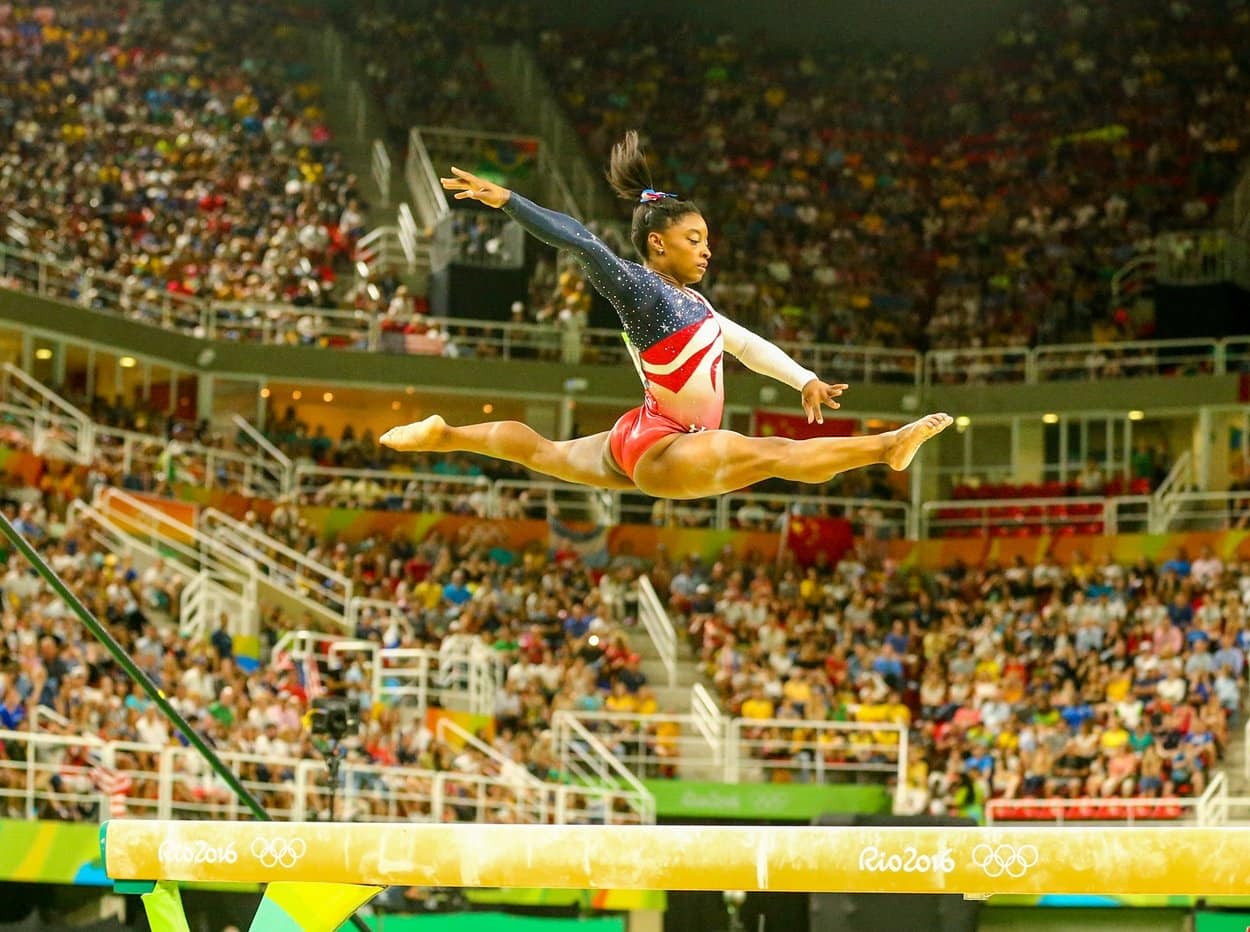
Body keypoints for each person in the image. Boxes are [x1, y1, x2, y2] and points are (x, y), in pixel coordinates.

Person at [382, 131, 951, 499]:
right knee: (777, 454)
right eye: (695, 239)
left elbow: (748, 345)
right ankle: (886, 447)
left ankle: (447, 433)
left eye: (708, 240)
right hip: (664, 445)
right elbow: (584, 243)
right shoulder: (643, 292)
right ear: (657, 243)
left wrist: (804, 379)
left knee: (545, 452)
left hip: (642, 432)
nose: (707, 250)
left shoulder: (695, 304)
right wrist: (509, 201)